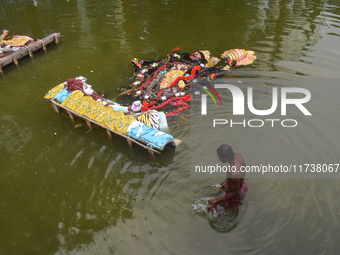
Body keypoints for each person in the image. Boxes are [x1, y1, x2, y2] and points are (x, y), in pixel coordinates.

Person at [209, 144, 248, 210]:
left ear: (225, 158)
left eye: (219, 157)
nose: (219, 158)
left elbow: (234, 193)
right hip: (242, 186)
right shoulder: (238, 156)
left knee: (214, 209)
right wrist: (226, 182)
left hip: (235, 194)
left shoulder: (233, 173)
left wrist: (217, 201)